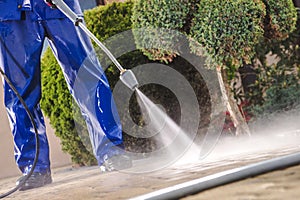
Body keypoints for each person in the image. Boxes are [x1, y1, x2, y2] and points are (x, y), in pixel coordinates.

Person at [0, 0, 131, 191]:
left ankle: (111, 151)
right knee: (19, 93)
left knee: (87, 76)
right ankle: (34, 167)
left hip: (59, 5)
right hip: (11, 10)